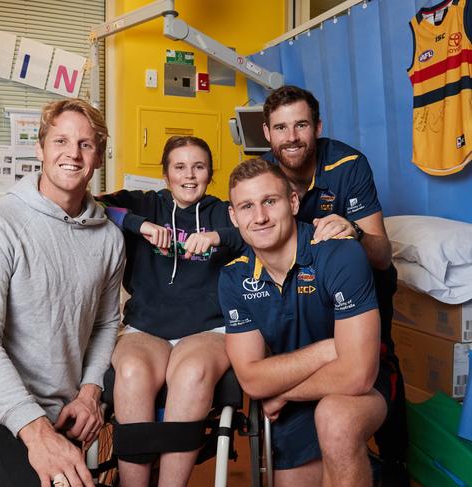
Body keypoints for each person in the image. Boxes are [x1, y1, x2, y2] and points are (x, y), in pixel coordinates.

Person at [0, 99, 125, 487]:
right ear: (40, 149)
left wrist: (90, 394)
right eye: (61, 141)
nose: (73, 153)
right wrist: (37, 433)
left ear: (99, 157)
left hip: (65, 404)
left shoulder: (109, 238)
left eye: (86, 144)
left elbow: (106, 324)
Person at [260, 85, 408, 481]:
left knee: (376, 362)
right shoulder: (264, 176)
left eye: (301, 125)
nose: (291, 137)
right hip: (302, 289)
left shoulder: (349, 163)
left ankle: (395, 461)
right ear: (267, 134)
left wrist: (355, 233)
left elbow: (382, 254)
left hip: (363, 286)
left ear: (318, 127)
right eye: (281, 127)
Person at [219, 158, 392, 486]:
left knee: (335, 420)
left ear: (294, 202)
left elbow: (358, 374)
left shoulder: (340, 253)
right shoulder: (233, 277)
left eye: (270, 201)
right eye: (246, 206)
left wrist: (283, 393)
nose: (259, 217)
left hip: (358, 390)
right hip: (294, 400)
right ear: (233, 216)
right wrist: (328, 350)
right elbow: (252, 380)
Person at [97, 136, 244, 487]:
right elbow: (94, 206)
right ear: (166, 175)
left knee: (192, 372)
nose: (189, 176)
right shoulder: (146, 204)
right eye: (180, 167)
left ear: (210, 173)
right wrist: (140, 225)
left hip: (207, 329)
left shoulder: (223, 211)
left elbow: (259, 230)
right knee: (131, 372)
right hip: (147, 327)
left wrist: (218, 237)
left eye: (199, 167)